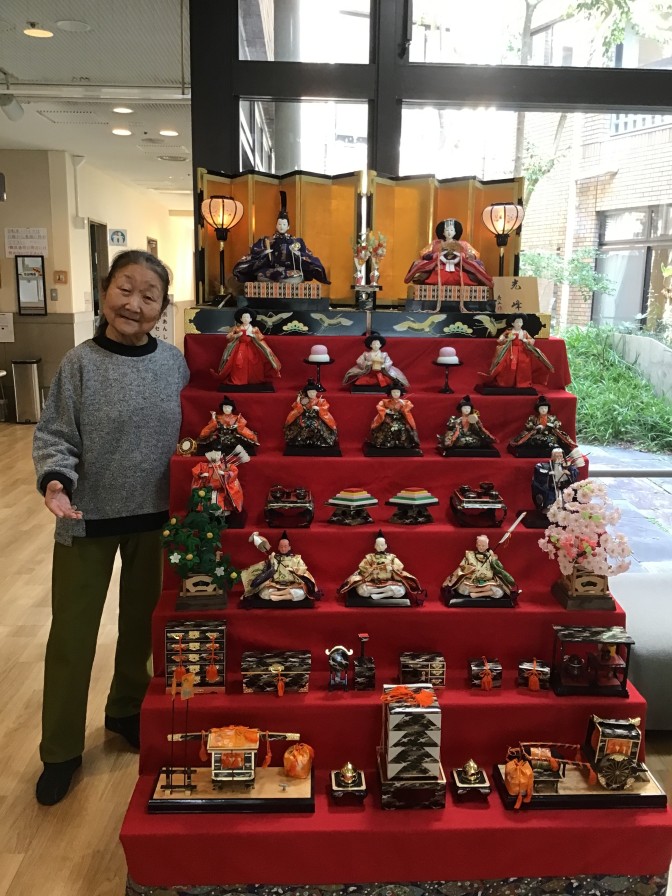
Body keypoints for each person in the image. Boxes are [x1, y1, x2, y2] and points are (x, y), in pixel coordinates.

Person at [32, 250, 190, 806]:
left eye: (149, 296)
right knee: (72, 636)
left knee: (143, 626)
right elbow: (54, 434)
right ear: (104, 293)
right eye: (126, 289)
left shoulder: (174, 364)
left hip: (155, 517)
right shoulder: (78, 364)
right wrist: (56, 482)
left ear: (162, 308)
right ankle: (60, 751)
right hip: (86, 517)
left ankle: (125, 710)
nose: (134, 304)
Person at [232, 192, 330, 284]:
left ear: (288, 227)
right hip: (271, 270)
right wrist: (265, 252)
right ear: (276, 225)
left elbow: (307, 256)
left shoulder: (295, 241)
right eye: (279, 224)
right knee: (261, 275)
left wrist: (297, 254)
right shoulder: (267, 240)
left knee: (297, 275)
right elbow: (255, 251)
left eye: (284, 224)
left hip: (290, 271)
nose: (281, 227)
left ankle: (282, 281)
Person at [404, 218, 493, 288]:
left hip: (459, 266)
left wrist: (464, 256)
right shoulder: (436, 243)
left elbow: (475, 254)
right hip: (439, 265)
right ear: (443, 232)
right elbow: (423, 253)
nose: (449, 233)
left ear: (455, 232)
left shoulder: (463, 244)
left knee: (477, 264)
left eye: (451, 230)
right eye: (447, 230)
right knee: (419, 263)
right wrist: (435, 256)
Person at [338, 531, 422, 601]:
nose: (380, 547)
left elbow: (400, 567)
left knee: (401, 591)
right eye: (378, 545)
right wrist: (372, 570)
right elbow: (362, 568)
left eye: (382, 545)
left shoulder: (392, 557)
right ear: (375, 546)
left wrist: (392, 568)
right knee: (362, 591)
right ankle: (385, 593)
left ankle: (380, 595)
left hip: (388, 582)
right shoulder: (369, 557)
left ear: (385, 546)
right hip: (373, 582)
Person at [241, 532, 319, 603]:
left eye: (285, 546)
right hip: (275, 584)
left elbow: (304, 569)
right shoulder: (274, 557)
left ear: (289, 547)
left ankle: (279, 596)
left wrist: (294, 570)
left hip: (292, 585)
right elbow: (266, 569)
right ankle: (283, 595)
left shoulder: (296, 558)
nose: (283, 548)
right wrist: (271, 562)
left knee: (302, 593)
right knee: (264, 593)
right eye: (281, 546)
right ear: (278, 547)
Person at [483, 314, 554, 389]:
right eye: (517, 322)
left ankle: (523, 383)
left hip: (522, 351)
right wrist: (508, 339)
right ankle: (506, 383)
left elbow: (532, 340)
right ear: (512, 323)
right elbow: (500, 340)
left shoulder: (524, 332)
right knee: (507, 367)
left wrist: (526, 340)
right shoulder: (509, 331)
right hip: (510, 351)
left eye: (520, 322)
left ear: (523, 323)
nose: (519, 324)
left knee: (523, 367)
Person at [214, 307, 281, 386]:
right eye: (244, 317)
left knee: (254, 362)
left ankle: (254, 379)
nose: (246, 319)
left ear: (251, 319)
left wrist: (253, 335)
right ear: (241, 319)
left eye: (247, 317)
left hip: (252, 347)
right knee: (238, 363)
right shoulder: (237, 328)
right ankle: (239, 380)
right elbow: (228, 337)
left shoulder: (254, 329)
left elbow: (261, 337)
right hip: (239, 347)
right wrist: (237, 335)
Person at [443, 534, 516, 599]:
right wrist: (469, 569)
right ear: (476, 545)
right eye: (479, 545)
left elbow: (499, 568)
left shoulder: (491, 556)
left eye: (483, 546)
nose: (481, 547)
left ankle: (477, 594)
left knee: (499, 592)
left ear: (487, 546)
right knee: (462, 589)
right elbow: (462, 567)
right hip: (471, 581)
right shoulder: (469, 555)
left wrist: (493, 558)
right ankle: (480, 591)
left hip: (487, 582)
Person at [509, 395, 577, 455]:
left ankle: (551, 447)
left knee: (552, 440)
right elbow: (528, 424)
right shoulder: (533, 418)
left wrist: (551, 425)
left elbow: (558, 423)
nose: (543, 410)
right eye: (541, 408)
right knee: (533, 441)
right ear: (538, 409)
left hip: (549, 434)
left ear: (548, 409)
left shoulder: (552, 417)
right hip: (536, 434)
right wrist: (536, 427)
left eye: (545, 408)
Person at [284, 379, 339, 449]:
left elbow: (325, 407)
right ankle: (301, 441)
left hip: (317, 417)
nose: (312, 394)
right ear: (307, 393)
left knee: (318, 425)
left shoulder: (321, 401)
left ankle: (319, 441)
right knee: (301, 424)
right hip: (305, 416)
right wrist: (298, 401)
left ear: (316, 392)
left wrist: (318, 408)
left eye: (313, 392)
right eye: (310, 392)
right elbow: (298, 408)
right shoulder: (304, 400)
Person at [342, 332, 409, 389]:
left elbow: (389, 362)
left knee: (390, 381)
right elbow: (359, 361)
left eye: (377, 344)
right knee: (361, 382)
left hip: (381, 373)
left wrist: (383, 366)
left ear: (380, 345)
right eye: (374, 344)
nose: (376, 345)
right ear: (371, 345)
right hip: (369, 373)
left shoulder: (384, 354)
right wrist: (367, 363)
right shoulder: (366, 354)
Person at [190, 449, 246, 517]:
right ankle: (206, 511)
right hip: (207, 490)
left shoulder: (225, 466)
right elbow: (196, 471)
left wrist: (225, 474)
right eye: (211, 453)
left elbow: (234, 472)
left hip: (221, 490)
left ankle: (223, 510)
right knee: (206, 500)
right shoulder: (203, 466)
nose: (214, 456)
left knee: (222, 499)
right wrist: (201, 475)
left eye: (217, 454)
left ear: (221, 455)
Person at [366, 380, 420, 450]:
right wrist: (386, 410)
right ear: (390, 393)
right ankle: (386, 442)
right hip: (388, 418)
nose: (395, 394)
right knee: (387, 427)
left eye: (397, 392)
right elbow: (379, 406)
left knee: (403, 427)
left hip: (400, 418)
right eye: (393, 392)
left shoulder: (404, 402)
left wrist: (402, 407)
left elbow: (407, 410)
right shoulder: (385, 402)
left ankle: (401, 443)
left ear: (400, 393)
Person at [532, 448, 580, 515]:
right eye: (557, 456)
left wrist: (568, 473)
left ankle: (564, 509)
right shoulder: (545, 466)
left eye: (560, 456)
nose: (559, 457)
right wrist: (549, 473)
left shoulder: (566, 466)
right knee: (551, 498)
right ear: (552, 457)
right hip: (551, 488)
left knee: (565, 498)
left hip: (563, 487)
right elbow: (540, 474)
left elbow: (574, 474)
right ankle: (550, 510)